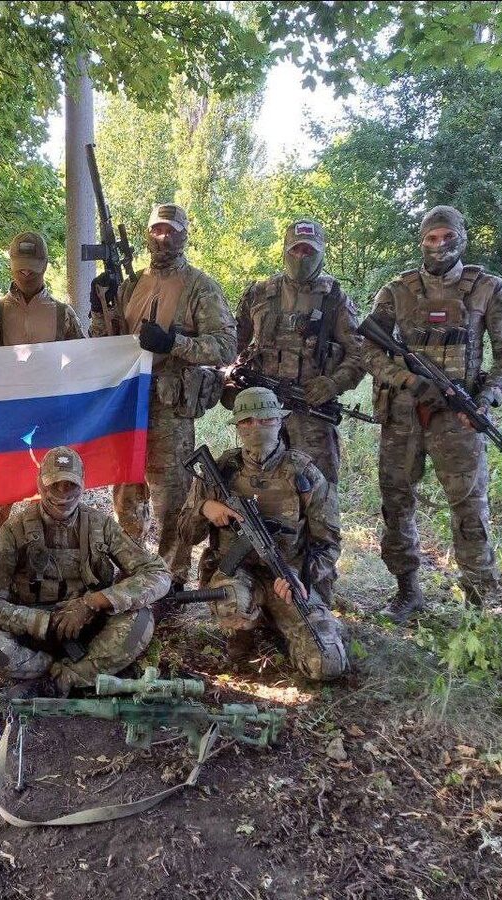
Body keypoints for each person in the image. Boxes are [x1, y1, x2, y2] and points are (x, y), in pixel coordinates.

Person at [361, 205, 502, 621]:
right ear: (421, 240)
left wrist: (487, 399)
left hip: (458, 418)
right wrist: (407, 379)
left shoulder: (487, 289)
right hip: (403, 415)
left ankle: (477, 602)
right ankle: (407, 591)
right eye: (431, 238)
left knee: (470, 507)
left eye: (447, 236)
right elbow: (369, 350)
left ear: (462, 237)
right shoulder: (397, 291)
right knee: (396, 503)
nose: (439, 245)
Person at [90, 203, 235, 608]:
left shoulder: (199, 286)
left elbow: (226, 346)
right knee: (126, 494)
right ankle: (133, 573)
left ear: (184, 234)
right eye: (156, 230)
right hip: (127, 406)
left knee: (171, 500)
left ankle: (171, 580)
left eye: (171, 230)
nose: (163, 237)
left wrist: (175, 343)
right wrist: (99, 306)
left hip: (169, 410)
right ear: (147, 234)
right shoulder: (131, 284)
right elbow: (104, 343)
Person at [0, 446, 170, 698]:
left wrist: (93, 603)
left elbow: (157, 573)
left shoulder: (100, 525)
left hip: (90, 629)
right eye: (55, 485)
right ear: (40, 484)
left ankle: (68, 678)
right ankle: (59, 674)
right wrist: (42, 622)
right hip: (31, 636)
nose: (63, 493)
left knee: (140, 620)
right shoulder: (14, 530)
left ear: (82, 485)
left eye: (70, 485)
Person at [178, 388, 348, 681]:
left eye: (266, 419)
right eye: (247, 421)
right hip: (237, 577)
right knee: (231, 601)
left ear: (280, 421)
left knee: (327, 664)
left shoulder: (304, 474)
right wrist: (204, 508)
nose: (256, 427)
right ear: (237, 427)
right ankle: (242, 633)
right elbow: (185, 533)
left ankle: (279, 621)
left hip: (288, 577)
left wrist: (301, 576)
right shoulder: (221, 471)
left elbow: (328, 544)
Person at [0, 231, 83, 556]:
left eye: (33, 265)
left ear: (44, 265)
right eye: (20, 265)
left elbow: (84, 363)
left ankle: (53, 558)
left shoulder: (62, 313)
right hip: (4, 418)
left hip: (50, 418)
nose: (26, 272)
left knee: (55, 490)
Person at [232, 219, 366, 495]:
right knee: (262, 490)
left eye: (308, 251)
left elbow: (360, 352)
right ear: (285, 250)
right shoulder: (259, 294)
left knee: (317, 491)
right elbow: (231, 344)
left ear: (321, 253)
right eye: (295, 249)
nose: (301, 256)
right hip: (262, 415)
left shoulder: (335, 298)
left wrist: (333, 383)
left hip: (311, 413)